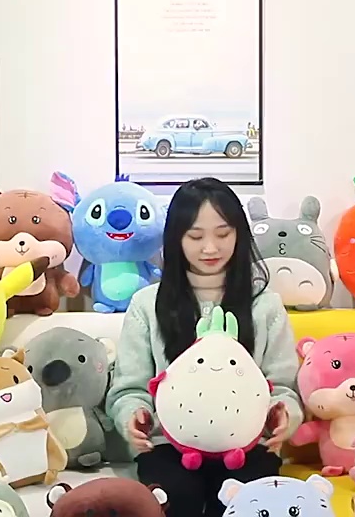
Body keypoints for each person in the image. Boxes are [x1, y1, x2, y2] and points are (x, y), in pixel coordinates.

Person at [105, 177, 303, 517]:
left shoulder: (265, 305)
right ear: (176, 239)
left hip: (247, 446)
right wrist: (133, 416)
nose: (210, 248)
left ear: (239, 235)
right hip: (168, 446)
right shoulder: (147, 305)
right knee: (177, 498)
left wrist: (284, 412)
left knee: (245, 503)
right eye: (195, 237)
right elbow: (129, 389)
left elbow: (283, 386)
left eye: (223, 234)